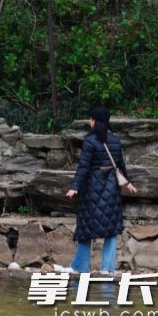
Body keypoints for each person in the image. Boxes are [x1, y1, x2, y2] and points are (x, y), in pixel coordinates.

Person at [59, 106, 137, 274]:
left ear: (94, 120)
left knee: (86, 228)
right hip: (111, 190)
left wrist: (74, 187)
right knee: (111, 229)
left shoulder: (90, 140)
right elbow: (120, 166)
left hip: (92, 190)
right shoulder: (115, 140)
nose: (89, 121)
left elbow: (84, 167)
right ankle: (107, 269)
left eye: (90, 118)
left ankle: (80, 267)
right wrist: (128, 182)